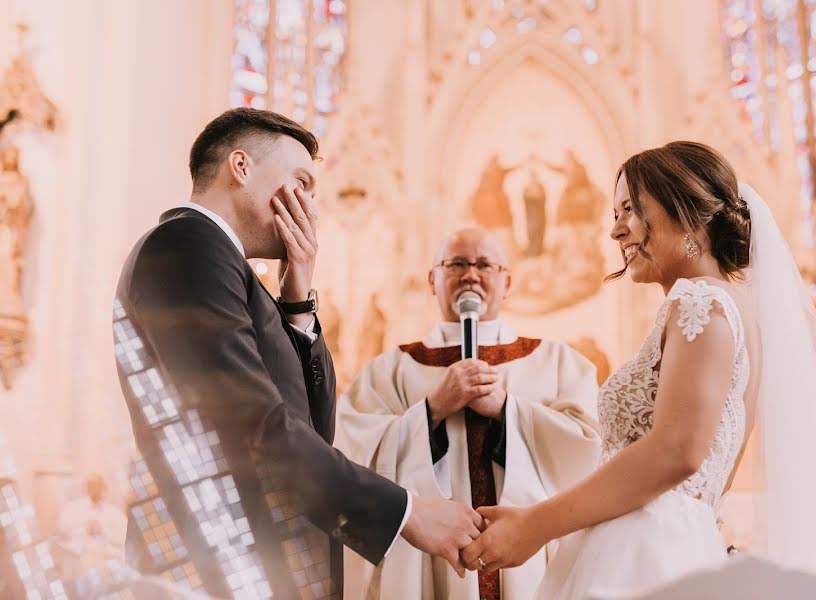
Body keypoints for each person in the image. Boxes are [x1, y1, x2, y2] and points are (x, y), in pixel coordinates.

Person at [461, 142, 816, 597]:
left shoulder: (699, 302)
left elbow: (676, 453)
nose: (616, 231)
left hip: (641, 552)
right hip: (673, 542)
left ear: (687, 212)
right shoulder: (738, 313)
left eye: (630, 210)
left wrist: (535, 526)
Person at [113, 108, 483, 599]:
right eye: (301, 181)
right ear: (241, 168)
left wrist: (298, 299)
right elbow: (252, 427)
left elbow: (312, 425)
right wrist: (409, 512)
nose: (309, 205)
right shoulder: (186, 245)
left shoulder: (229, 267)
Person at [335, 227, 602, 600]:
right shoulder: (387, 371)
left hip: (529, 567)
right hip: (424, 561)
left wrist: (509, 410)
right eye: (457, 263)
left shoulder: (557, 363)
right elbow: (351, 459)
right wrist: (431, 410)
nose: (471, 274)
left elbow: (590, 451)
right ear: (433, 279)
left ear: (507, 282)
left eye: (485, 265)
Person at [56, 474, 127, 578]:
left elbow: (122, 540)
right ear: (84, 489)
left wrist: (103, 532)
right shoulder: (71, 510)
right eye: (91, 486)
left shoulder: (115, 514)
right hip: (81, 568)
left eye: (99, 486)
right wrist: (84, 530)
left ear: (104, 489)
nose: (95, 490)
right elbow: (61, 535)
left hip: (108, 566)